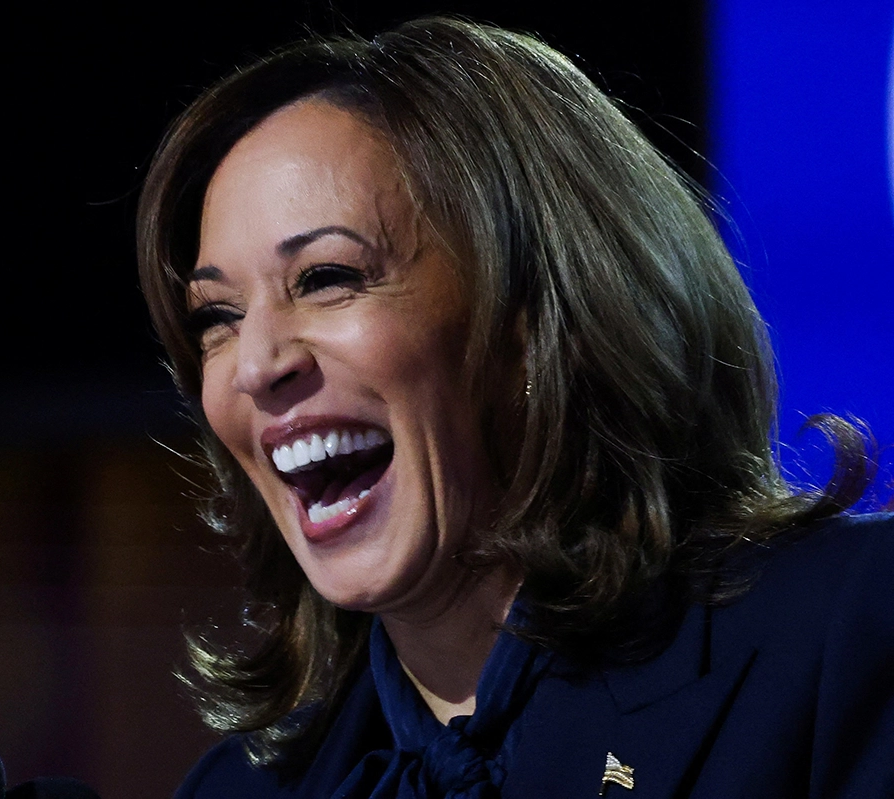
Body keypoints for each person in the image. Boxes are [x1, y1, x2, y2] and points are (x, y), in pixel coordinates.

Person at [136, 17, 894, 798]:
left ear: (537, 315)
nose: (256, 364)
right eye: (217, 318)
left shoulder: (852, 631)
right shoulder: (246, 787)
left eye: (327, 277)